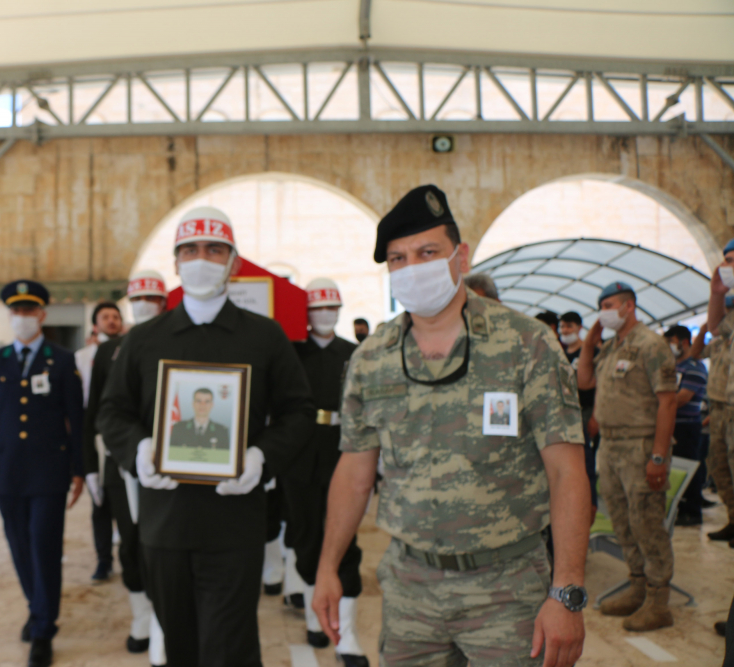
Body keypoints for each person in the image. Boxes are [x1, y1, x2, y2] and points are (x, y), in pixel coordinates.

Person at [314, 184, 589, 667]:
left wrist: (566, 592)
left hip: (509, 589)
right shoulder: (372, 359)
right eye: (397, 259)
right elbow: (355, 473)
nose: (411, 267)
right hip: (409, 590)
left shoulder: (527, 344)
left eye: (427, 252)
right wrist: (327, 567)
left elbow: (567, 472)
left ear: (459, 256)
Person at [97, 206, 315, 667]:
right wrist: (138, 450)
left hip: (234, 524)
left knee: (229, 647)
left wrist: (262, 456)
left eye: (215, 249)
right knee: (179, 645)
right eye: (190, 250)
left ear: (234, 263)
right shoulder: (144, 340)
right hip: (164, 522)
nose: (202, 259)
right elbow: (113, 411)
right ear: (176, 263)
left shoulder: (264, 336)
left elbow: (298, 411)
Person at [0, 279, 85, 667]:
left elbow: (76, 419)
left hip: (50, 470)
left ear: (42, 315)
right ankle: (38, 607)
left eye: (29, 311)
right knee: (19, 547)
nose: (22, 318)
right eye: (16, 311)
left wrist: (81, 468)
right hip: (9, 471)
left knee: (43, 546)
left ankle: (44, 628)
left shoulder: (62, 359)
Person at [576, 281, 677, 632]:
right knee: (622, 521)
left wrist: (659, 457)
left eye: (610, 304)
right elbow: (585, 381)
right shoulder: (611, 346)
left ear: (628, 306)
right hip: (611, 445)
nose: (604, 310)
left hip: (640, 446)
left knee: (647, 523)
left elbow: (666, 401)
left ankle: (658, 600)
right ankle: (637, 587)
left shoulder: (650, 344)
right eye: (601, 305)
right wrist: (590, 341)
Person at [83, 269, 168, 662]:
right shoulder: (109, 351)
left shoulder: (179, 341)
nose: (144, 306)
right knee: (130, 544)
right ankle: (141, 616)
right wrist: (89, 466)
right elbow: (98, 411)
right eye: (138, 300)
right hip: (122, 464)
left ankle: (166, 620)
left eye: (152, 299)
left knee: (166, 545)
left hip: (171, 467)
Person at [281, 277, 367, 665]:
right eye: (318, 308)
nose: (325, 315)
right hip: (300, 454)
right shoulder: (291, 354)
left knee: (345, 540)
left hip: (344, 450)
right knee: (305, 536)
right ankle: (316, 612)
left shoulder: (356, 353)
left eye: (332, 307)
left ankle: (345, 636)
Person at [76, 300, 124, 583]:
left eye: (116, 316)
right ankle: (103, 559)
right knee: (100, 502)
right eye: (105, 317)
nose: (111, 321)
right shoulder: (83, 357)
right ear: (95, 324)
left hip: (120, 427)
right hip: (92, 428)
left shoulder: (130, 349)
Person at [663, 325, 708, 525]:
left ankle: (692, 511)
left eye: (670, 342)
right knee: (673, 468)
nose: (668, 347)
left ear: (683, 342)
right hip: (670, 423)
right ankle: (677, 507)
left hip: (687, 426)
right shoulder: (671, 366)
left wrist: (661, 400)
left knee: (688, 467)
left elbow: (682, 398)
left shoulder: (695, 366)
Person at [698, 296, 734, 541]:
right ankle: (733, 518)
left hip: (731, 409)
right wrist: (704, 327)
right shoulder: (719, 342)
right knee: (720, 467)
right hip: (718, 409)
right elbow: (695, 352)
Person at [707, 244, 734, 549]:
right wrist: (717, 292)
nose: (728, 265)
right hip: (723, 401)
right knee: (721, 464)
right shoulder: (731, 307)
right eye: (726, 260)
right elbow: (715, 327)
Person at [559, 311, 598, 516]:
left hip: (586, 411)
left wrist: (595, 416)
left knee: (586, 459)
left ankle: (589, 504)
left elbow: (599, 386)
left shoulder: (590, 351)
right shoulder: (560, 353)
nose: (565, 331)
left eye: (569, 327)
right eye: (562, 327)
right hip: (565, 413)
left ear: (579, 328)